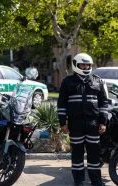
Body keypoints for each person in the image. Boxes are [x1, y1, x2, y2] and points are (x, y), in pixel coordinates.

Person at [57, 53, 108, 186]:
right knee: (77, 154)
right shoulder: (67, 82)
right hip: (75, 124)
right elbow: (61, 104)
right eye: (83, 64)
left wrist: (103, 122)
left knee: (94, 155)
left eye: (88, 65)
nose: (85, 67)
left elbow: (103, 103)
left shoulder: (97, 81)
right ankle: (78, 181)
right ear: (76, 65)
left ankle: (96, 181)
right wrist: (63, 123)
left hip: (93, 124)